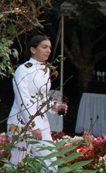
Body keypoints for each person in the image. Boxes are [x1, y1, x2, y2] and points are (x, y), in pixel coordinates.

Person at [7, 34, 68, 164]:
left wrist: (54, 106)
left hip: (42, 122)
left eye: (50, 48)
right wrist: (33, 125)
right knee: (17, 164)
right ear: (33, 49)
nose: (48, 51)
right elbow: (23, 99)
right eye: (44, 47)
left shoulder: (45, 70)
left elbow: (41, 97)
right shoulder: (23, 70)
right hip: (21, 123)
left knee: (51, 163)